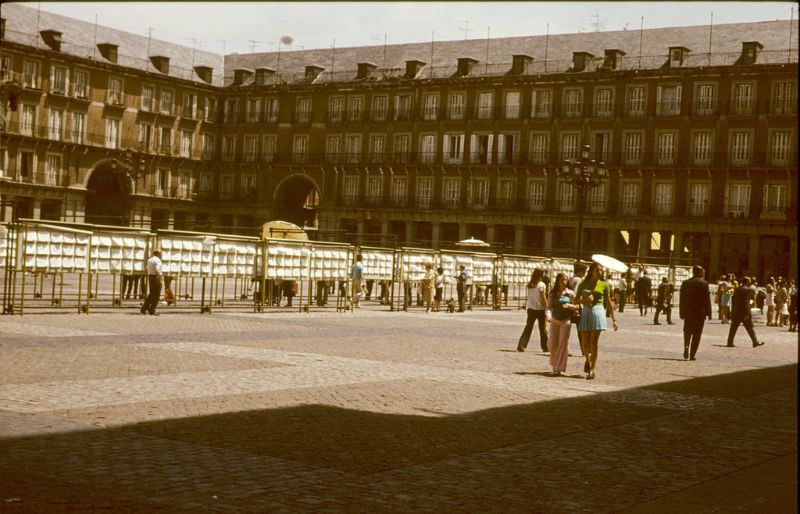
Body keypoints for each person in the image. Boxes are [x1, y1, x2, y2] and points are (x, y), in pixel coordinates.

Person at [576, 262, 618, 379]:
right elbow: (575, 299)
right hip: (586, 311)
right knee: (584, 343)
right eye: (598, 270)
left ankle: (593, 369)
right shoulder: (583, 283)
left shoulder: (604, 285)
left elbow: (608, 302)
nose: (600, 272)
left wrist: (614, 319)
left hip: (598, 311)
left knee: (594, 342)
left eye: (601, 270)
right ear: (592, 271)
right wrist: (583, 300)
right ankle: (588, 358)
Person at [679, 265, 713, 360]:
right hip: (700, 312)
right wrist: (709, 313)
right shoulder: (704, 283)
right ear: (699, 272)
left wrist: (681, 312)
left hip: (688, 311)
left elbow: (682, 299)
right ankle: (692, 354)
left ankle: (686, 347)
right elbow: (707, 299)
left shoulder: (686, 283)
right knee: (697, 333)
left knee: (687, 331)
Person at [546, 272, 577, 376]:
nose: (564, 282)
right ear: (558, 281)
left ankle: (559, 367)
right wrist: (548, 316)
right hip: (555, 320)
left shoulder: (571, 293)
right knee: (552, 343)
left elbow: (577, 306)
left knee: (563, 344)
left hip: (566, 320)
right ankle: (554, 363)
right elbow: (549, 307)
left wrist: (570, 306)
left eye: (566, 280)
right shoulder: (553, 293)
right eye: (562, 280)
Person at [726, 276, 765, 348]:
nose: (750, 282)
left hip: (736, 311)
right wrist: (747, 313)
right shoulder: (749, 290)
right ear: (747, 282)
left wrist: (732, 311)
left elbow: (734, 300)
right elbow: (746, 303)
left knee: (733, 328)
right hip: (744, 312)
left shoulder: (737, 289)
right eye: (749, 281)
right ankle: (755, 342)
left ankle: (729, 342)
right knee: (750, 328)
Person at [517, 269, 548, 353]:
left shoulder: (531, 284)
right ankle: (545, 346)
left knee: (528, 327)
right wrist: (547, 306)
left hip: (530, 308)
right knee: (542, 329)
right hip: (540, 309)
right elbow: (542, 297)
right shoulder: (541, 284)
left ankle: (522, 344)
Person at [140, 250, 163, 315]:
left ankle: (144, 308)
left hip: (151, 277)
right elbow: (157, 269)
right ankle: (152, 310)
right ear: (158, 254)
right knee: (156, 295)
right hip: (156, 277)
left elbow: (146, 269)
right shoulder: (158, 260)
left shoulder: (149, 260)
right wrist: (160, 278)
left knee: (152, 294)